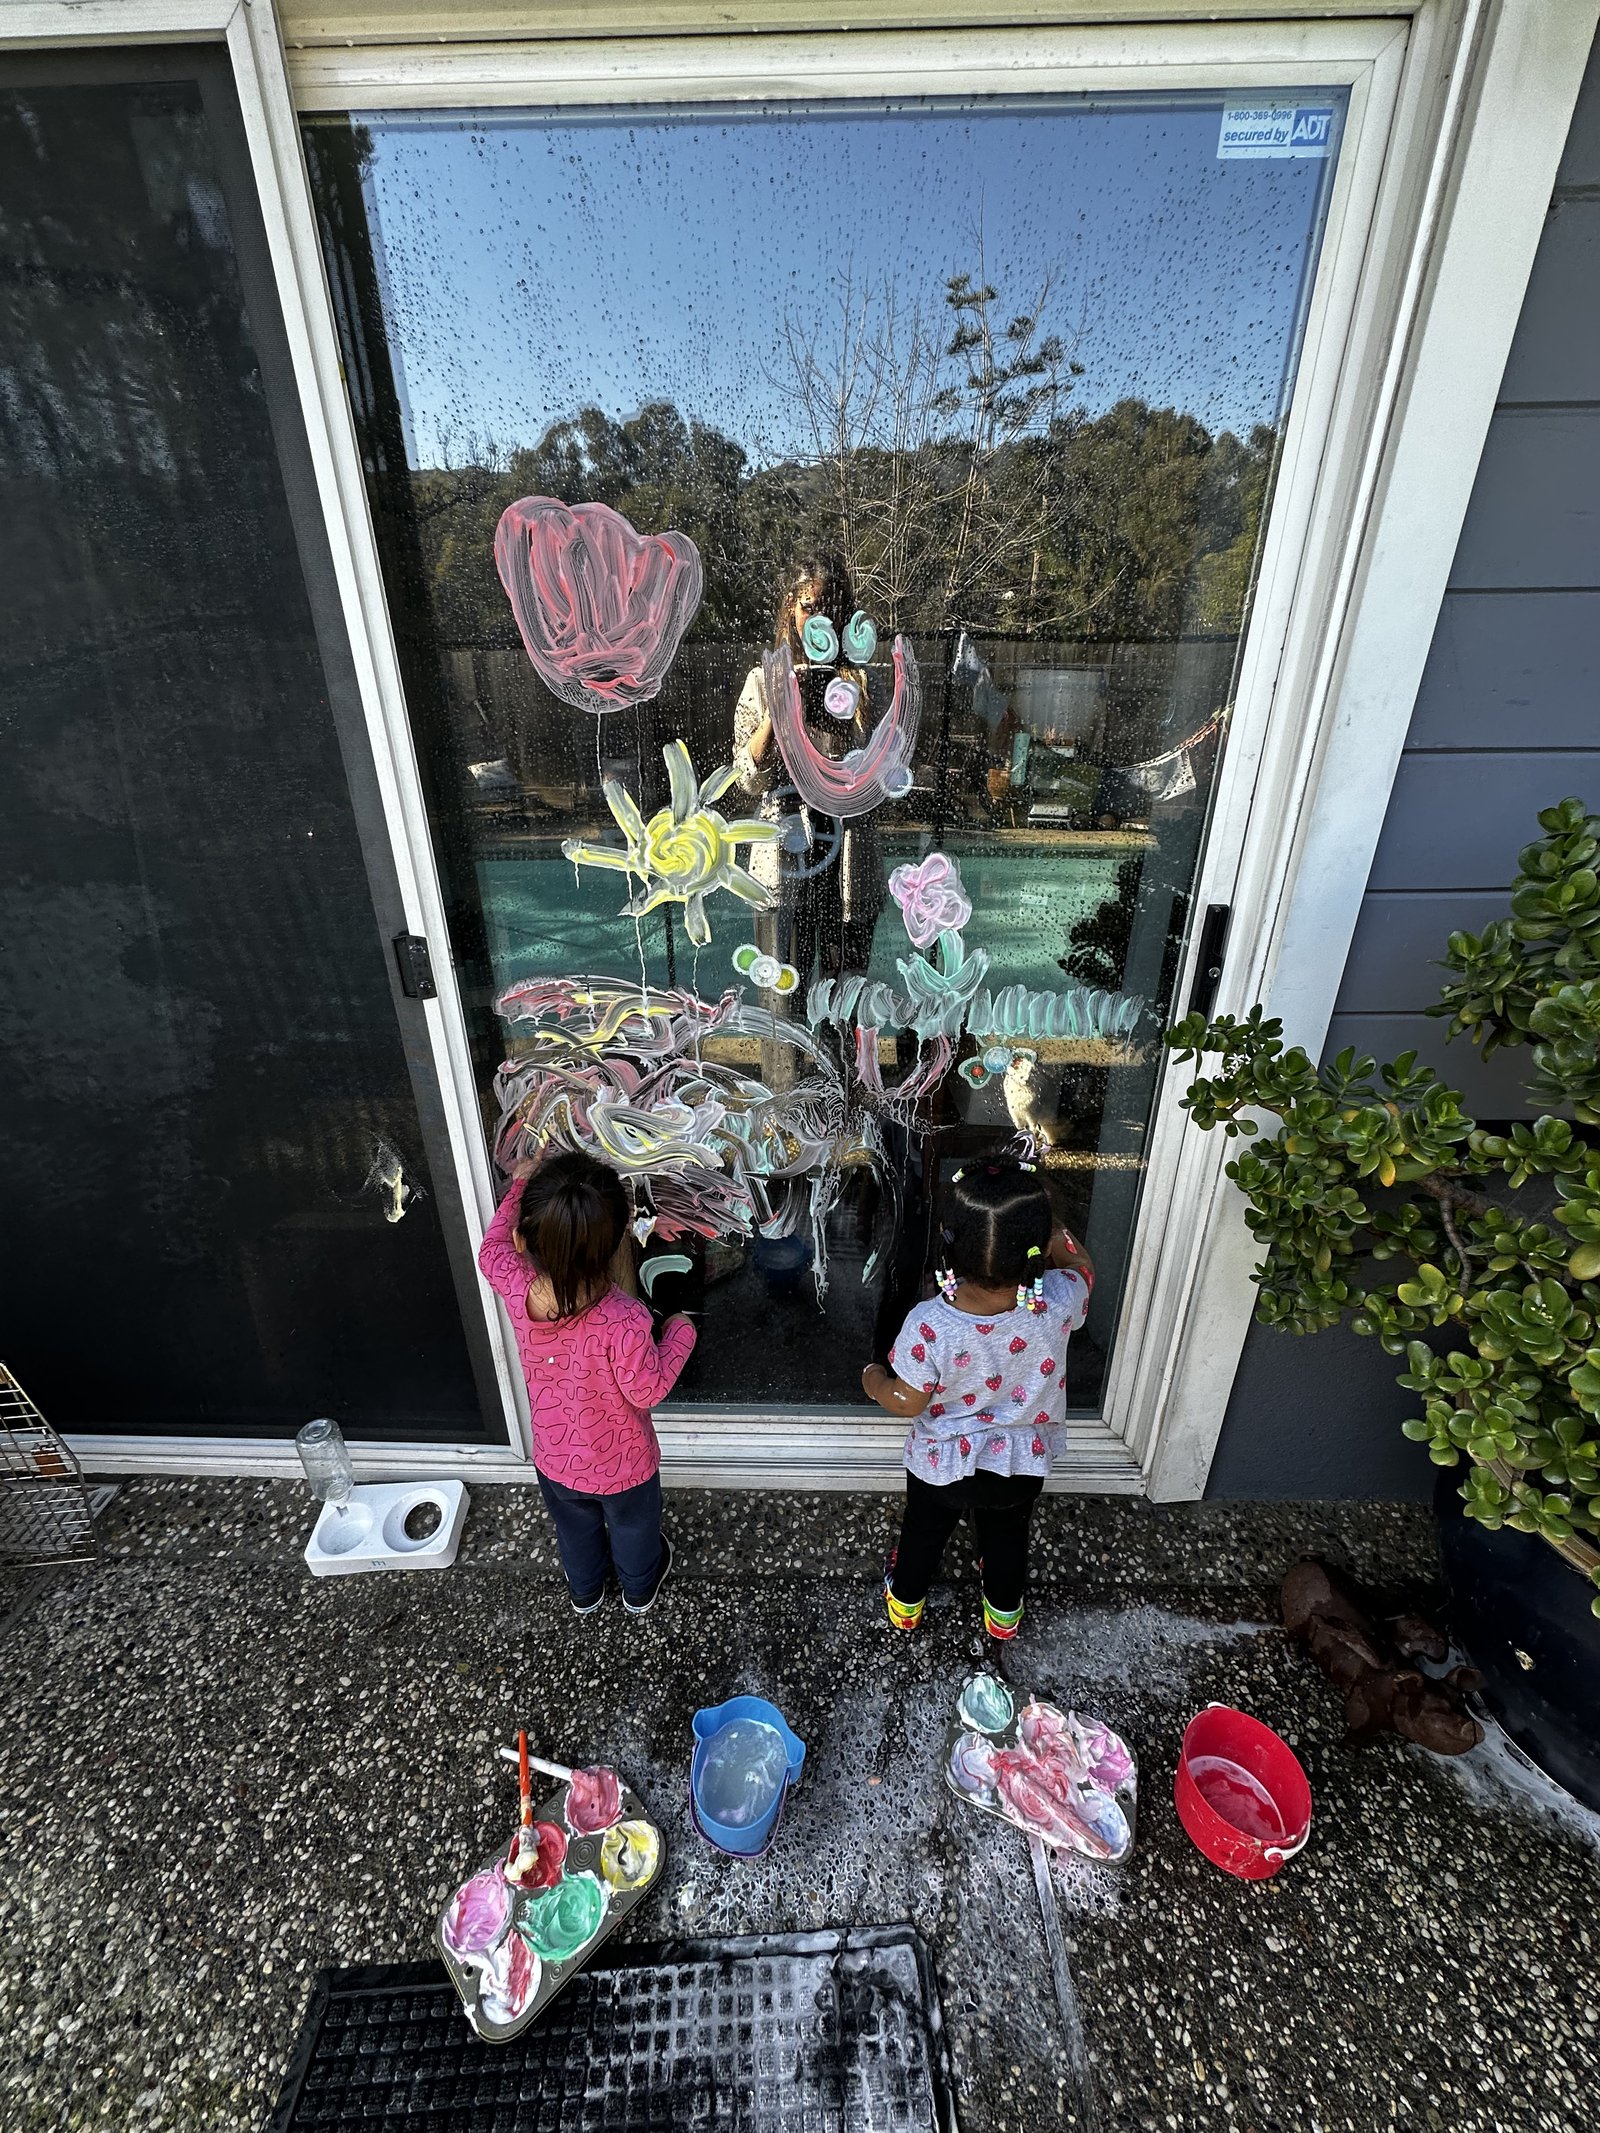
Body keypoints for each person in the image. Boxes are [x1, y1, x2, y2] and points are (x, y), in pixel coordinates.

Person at [862, 1160, 1094, 1641]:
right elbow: (1082, 1268)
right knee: (1007, 1536)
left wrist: (874, 1379)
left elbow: (906, 1400)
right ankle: (1003, 1615)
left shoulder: (929, 1324)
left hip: (942, 1465)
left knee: (923, 1534)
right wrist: (1054, 1231)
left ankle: (905, 1604)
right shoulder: (1059, 1298)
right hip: (1020, 1464)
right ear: (1037, 1249)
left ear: (949, 1244)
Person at [478, 1148, 695, 1616]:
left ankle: (585, 1591)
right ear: (618, 1240)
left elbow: (489, 1250)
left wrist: (520, 1184)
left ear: (524, 1239)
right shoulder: (624, 1319)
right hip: (625, 1467)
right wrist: (681, 1333)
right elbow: (647, 1389)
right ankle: (638, 1590)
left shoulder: (516, 1287)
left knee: (574, 1529)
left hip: (556, 1459)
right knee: (634, 1529)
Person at [731, 553, 886, 1027]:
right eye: (809, 607)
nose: (821, 619)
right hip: (784, 860)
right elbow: (746, 777)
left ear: (846, 615)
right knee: (783, 1008)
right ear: (790, 609)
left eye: (831, 608)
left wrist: (851, 721)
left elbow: (883, 779)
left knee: (845, 1005)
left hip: (850, 865)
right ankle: (786, 1080)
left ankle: (842, 1076)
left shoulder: (864, 685)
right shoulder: (764, 681)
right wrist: (781, 712)